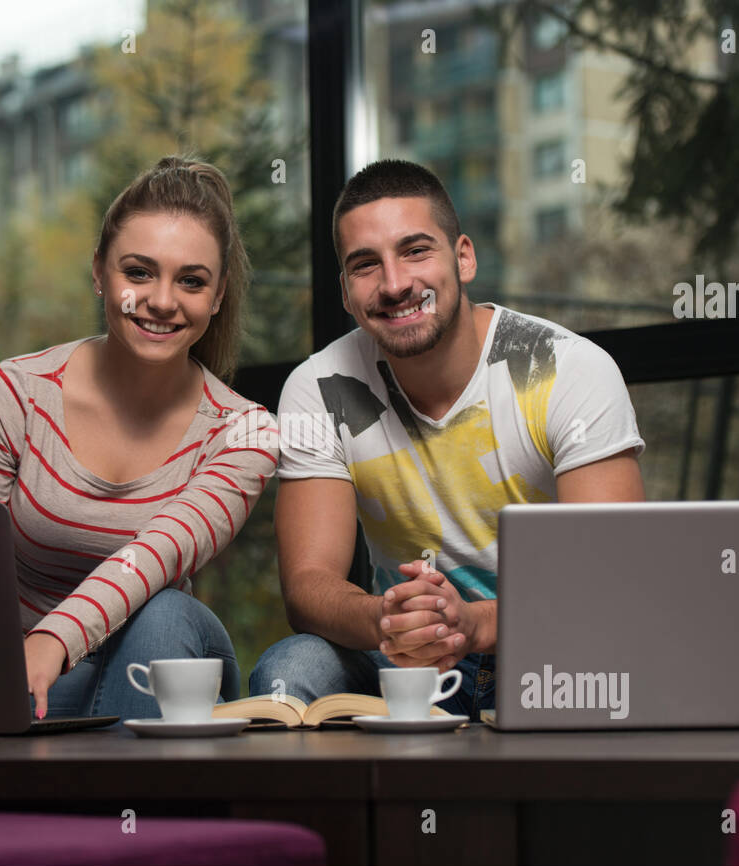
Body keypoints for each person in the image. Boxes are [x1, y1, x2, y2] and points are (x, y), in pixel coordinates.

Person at [250, 159, 647, 720]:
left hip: (546, 650)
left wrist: (474, 623)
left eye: (416, 251)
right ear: (344, 291)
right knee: (290, 670)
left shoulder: (563, 369)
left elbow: (612, 582)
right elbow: (308, 585)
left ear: (463, 257)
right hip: (405, 662)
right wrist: (390, 618)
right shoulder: (320, 387)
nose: (394, 284)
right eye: (366, 265)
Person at [0, 156, 278, 720]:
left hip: (159, 670)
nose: (164, 300)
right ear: (99, 271)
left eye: (191, 281)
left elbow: (153, 556)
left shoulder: (245, 431)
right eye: (139, 272)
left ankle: (130, 808)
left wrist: (55, 639)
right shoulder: (11, 394)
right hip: (19, 677)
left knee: (164, 611)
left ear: (218, 297)